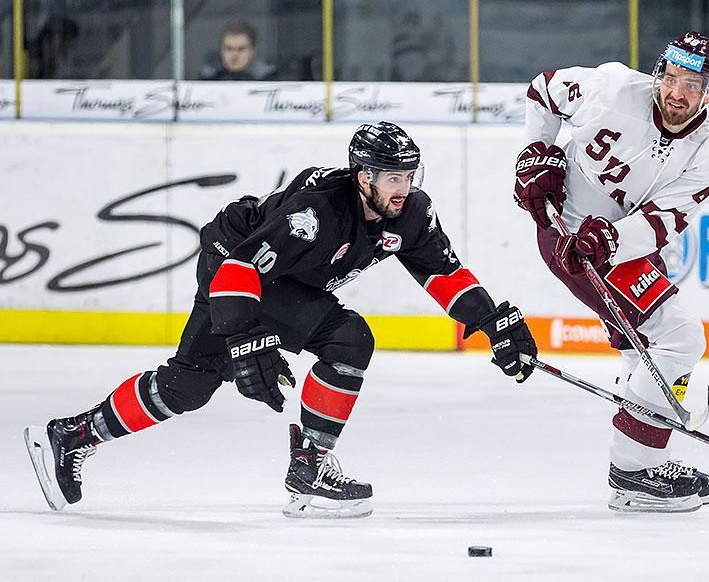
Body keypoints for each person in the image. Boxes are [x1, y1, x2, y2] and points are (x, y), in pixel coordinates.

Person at [25, 121, 537, 518]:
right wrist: (246, 338)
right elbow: (239, 269)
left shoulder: (412, 213)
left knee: (189, 385)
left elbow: (441, 270)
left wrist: (492, 322)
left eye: (408, 176)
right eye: (392, 178)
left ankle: (74, 434)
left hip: (280, 282)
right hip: (234, 264)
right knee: (347, 338)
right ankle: (310, 466)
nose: (403, 187)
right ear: (364, 178)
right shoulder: (315, 214)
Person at [514, 32, 709, 513]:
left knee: (658, 340)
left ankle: (642, 459)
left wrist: (612, 239)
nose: (676, 93)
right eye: (671, 78)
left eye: (692, 85)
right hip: (567, 234)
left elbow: (664, 221)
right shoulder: (612, 88)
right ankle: (634, 470)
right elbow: (543, 89)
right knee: (681, 336)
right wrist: (535, 154)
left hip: (618, 247)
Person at [197, 19, 277, 81]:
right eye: (229, 49)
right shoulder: (207, 79)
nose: (235, 55)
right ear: (221, 50)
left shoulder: (267, 78)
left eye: (241, 49)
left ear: (253, 50)